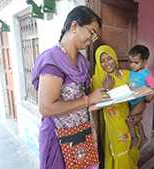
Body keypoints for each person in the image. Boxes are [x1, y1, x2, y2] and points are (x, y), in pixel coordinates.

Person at [32, 6, 107, 169]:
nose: (92, 39)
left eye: (95, 35)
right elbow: (46, 108)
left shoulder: (82, 62)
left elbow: (80, 98)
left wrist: (97, 101)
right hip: (59, 137)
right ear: (74, 26)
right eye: (92, 32)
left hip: (81, 133)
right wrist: (88, 100)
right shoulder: (52, 59)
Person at [92, 45, 138, 169]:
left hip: (128, 120)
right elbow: (95, 107)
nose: (107, 63)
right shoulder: (97, 80)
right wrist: (107, 89)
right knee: (118, 154)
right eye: (102, 61)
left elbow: (142, 93)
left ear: (114, 57)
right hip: (112, 125)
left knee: (130, 152)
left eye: (109, 58)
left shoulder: (126, 74)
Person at [127, 44, 154, 148]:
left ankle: (134, 138)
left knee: (129, 119)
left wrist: (148, 98)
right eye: (131, 62)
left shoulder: (146, 74)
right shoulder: (131, 72)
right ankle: (144, 137)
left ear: (144, 62)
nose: (132, 65)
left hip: (140, 102)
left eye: (136, 62)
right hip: (131, 101)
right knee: (136, 120)